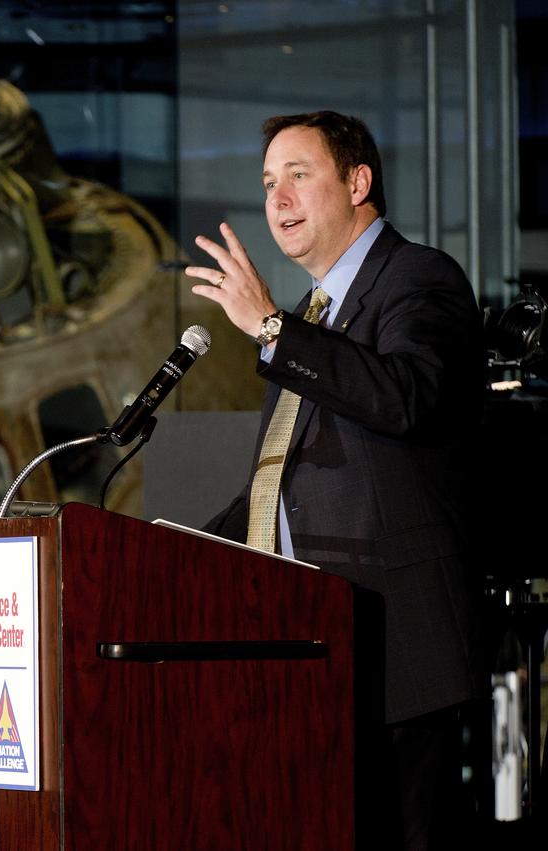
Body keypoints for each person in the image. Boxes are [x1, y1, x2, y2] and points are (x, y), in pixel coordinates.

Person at [185, 111, 484, 849]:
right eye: (266, 183)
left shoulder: (419, 278)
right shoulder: (317, 313)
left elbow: (406, 395)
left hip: (400, 656)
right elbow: (279, 486)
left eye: (298, 174)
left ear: (358, 182)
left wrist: (272, 330)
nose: (277, 198)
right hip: (320, 654)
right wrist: (171, 549)